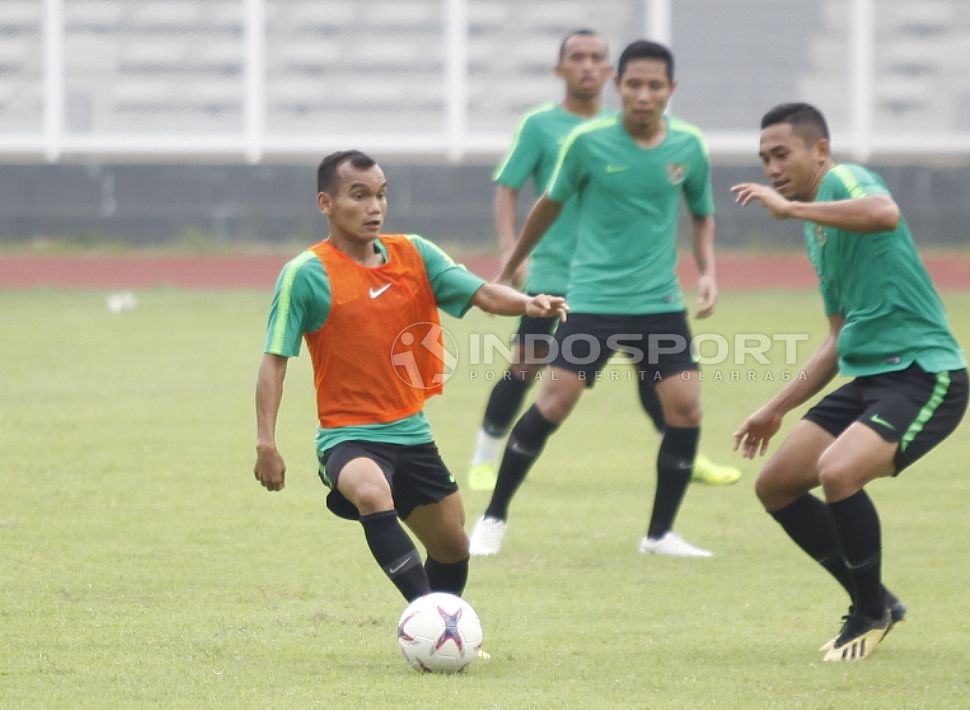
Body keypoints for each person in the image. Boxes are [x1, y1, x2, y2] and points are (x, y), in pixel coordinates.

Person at [253, 150, 568, 607]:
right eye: (358, 196)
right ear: (326, 203)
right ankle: (432, 621)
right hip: (348, 436)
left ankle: (437, 631)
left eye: (381, 195)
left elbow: (480, 292)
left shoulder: (414, 253)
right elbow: (274, 361)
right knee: (370, 490)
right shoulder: (306, 274)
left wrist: (527, 303)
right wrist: (267, 442)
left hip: (412, 431)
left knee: (453, 545)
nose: (374, 207)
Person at [730, 103, 969, 662]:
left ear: (820, 150)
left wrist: (789, 209)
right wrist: (776, 408)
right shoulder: (818, 231)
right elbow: (839, 338)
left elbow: (884, 212)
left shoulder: (844, 180)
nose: (772, 167)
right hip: (868, 378)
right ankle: (877, 598)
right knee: (777, 485)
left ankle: (869, 613)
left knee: (837, 472)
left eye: (781, 153)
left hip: (923, 373)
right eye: (764, 158)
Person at [469, 40, 720, 559]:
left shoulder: (690, 146)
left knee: (686, 410)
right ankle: (493, 517)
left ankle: (659, 535)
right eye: (634, 84)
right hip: (596, 302)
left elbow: (701, 212)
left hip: (660, 307)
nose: (644, 95)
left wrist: (708, 271)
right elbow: (547, 204)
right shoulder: (587, 142)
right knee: (553, 404)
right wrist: (515, 260)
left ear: (671, 90)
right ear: (618, 86)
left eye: (655, 86)